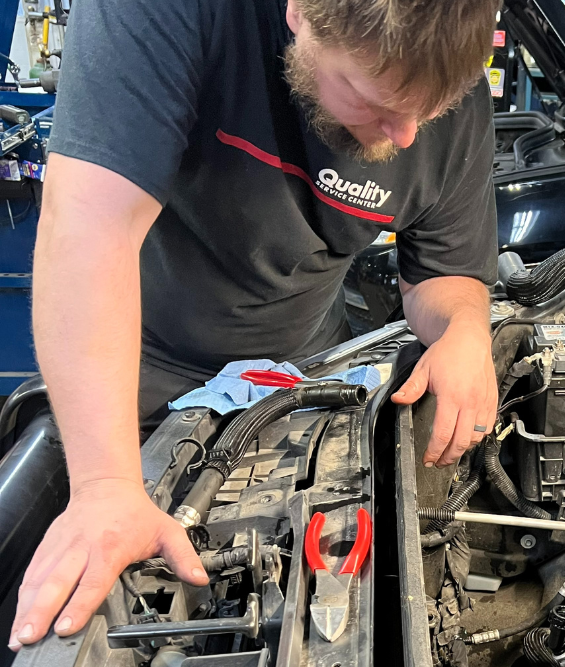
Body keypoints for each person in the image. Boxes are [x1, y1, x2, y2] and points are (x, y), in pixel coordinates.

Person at [9, 0, 501, 650]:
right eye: (374, 98)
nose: (408, 134)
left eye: (430, 109)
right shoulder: (171, 13)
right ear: (300, 12)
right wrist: (104, 485)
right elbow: (90, 228)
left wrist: (465, 326)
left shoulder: (448, 102)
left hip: (301, 386)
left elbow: (444, 273)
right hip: (128, 374)